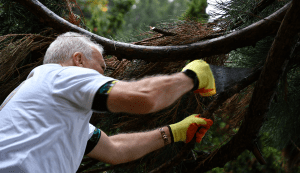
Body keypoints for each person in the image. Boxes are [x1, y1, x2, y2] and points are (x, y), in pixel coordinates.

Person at [0, 32, 215, 173]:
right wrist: (191, 77)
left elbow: (114, 149)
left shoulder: (46, 102)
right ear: (79, 60)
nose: (104, 74)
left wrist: (174, 132)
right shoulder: (60, 75)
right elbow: (144, 97)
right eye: (102, 67)